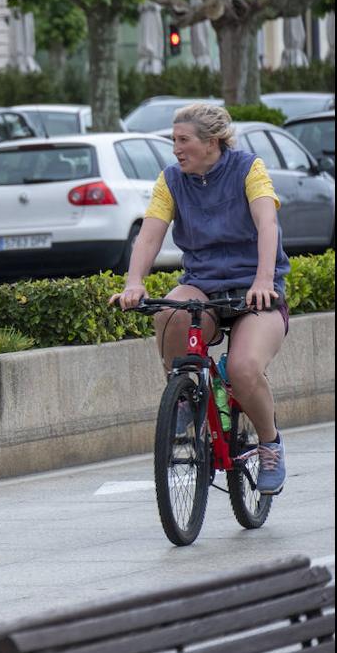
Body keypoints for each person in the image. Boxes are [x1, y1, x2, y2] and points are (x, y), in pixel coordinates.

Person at [110, 103, 290, 494]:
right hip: (203, 286)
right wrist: (134, 282)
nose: (175, 148)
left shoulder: (248, 168)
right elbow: (150, 235)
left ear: (211, 142)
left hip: (254, 291)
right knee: (170, 312)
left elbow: (267, 223)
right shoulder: (171, 179)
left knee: (243, 369)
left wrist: (263, 280)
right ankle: (183, 398)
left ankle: (270, 443)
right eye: (173, 140)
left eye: (183, 140)